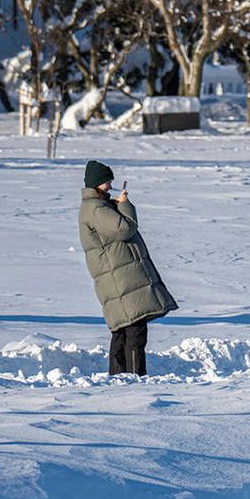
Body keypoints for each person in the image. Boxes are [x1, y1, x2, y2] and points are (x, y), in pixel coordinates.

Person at [78, 160, 177, 376]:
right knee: (134, 329)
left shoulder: (97, 207)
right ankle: (135, 377)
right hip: (119, 278)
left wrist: (114, 206)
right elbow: (124, 229)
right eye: (106, 183)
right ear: (96, 184)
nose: (110, 186)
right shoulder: (95, 208)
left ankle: (119, 376)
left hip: (119, 276)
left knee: (123, 329)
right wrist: (124, 205)